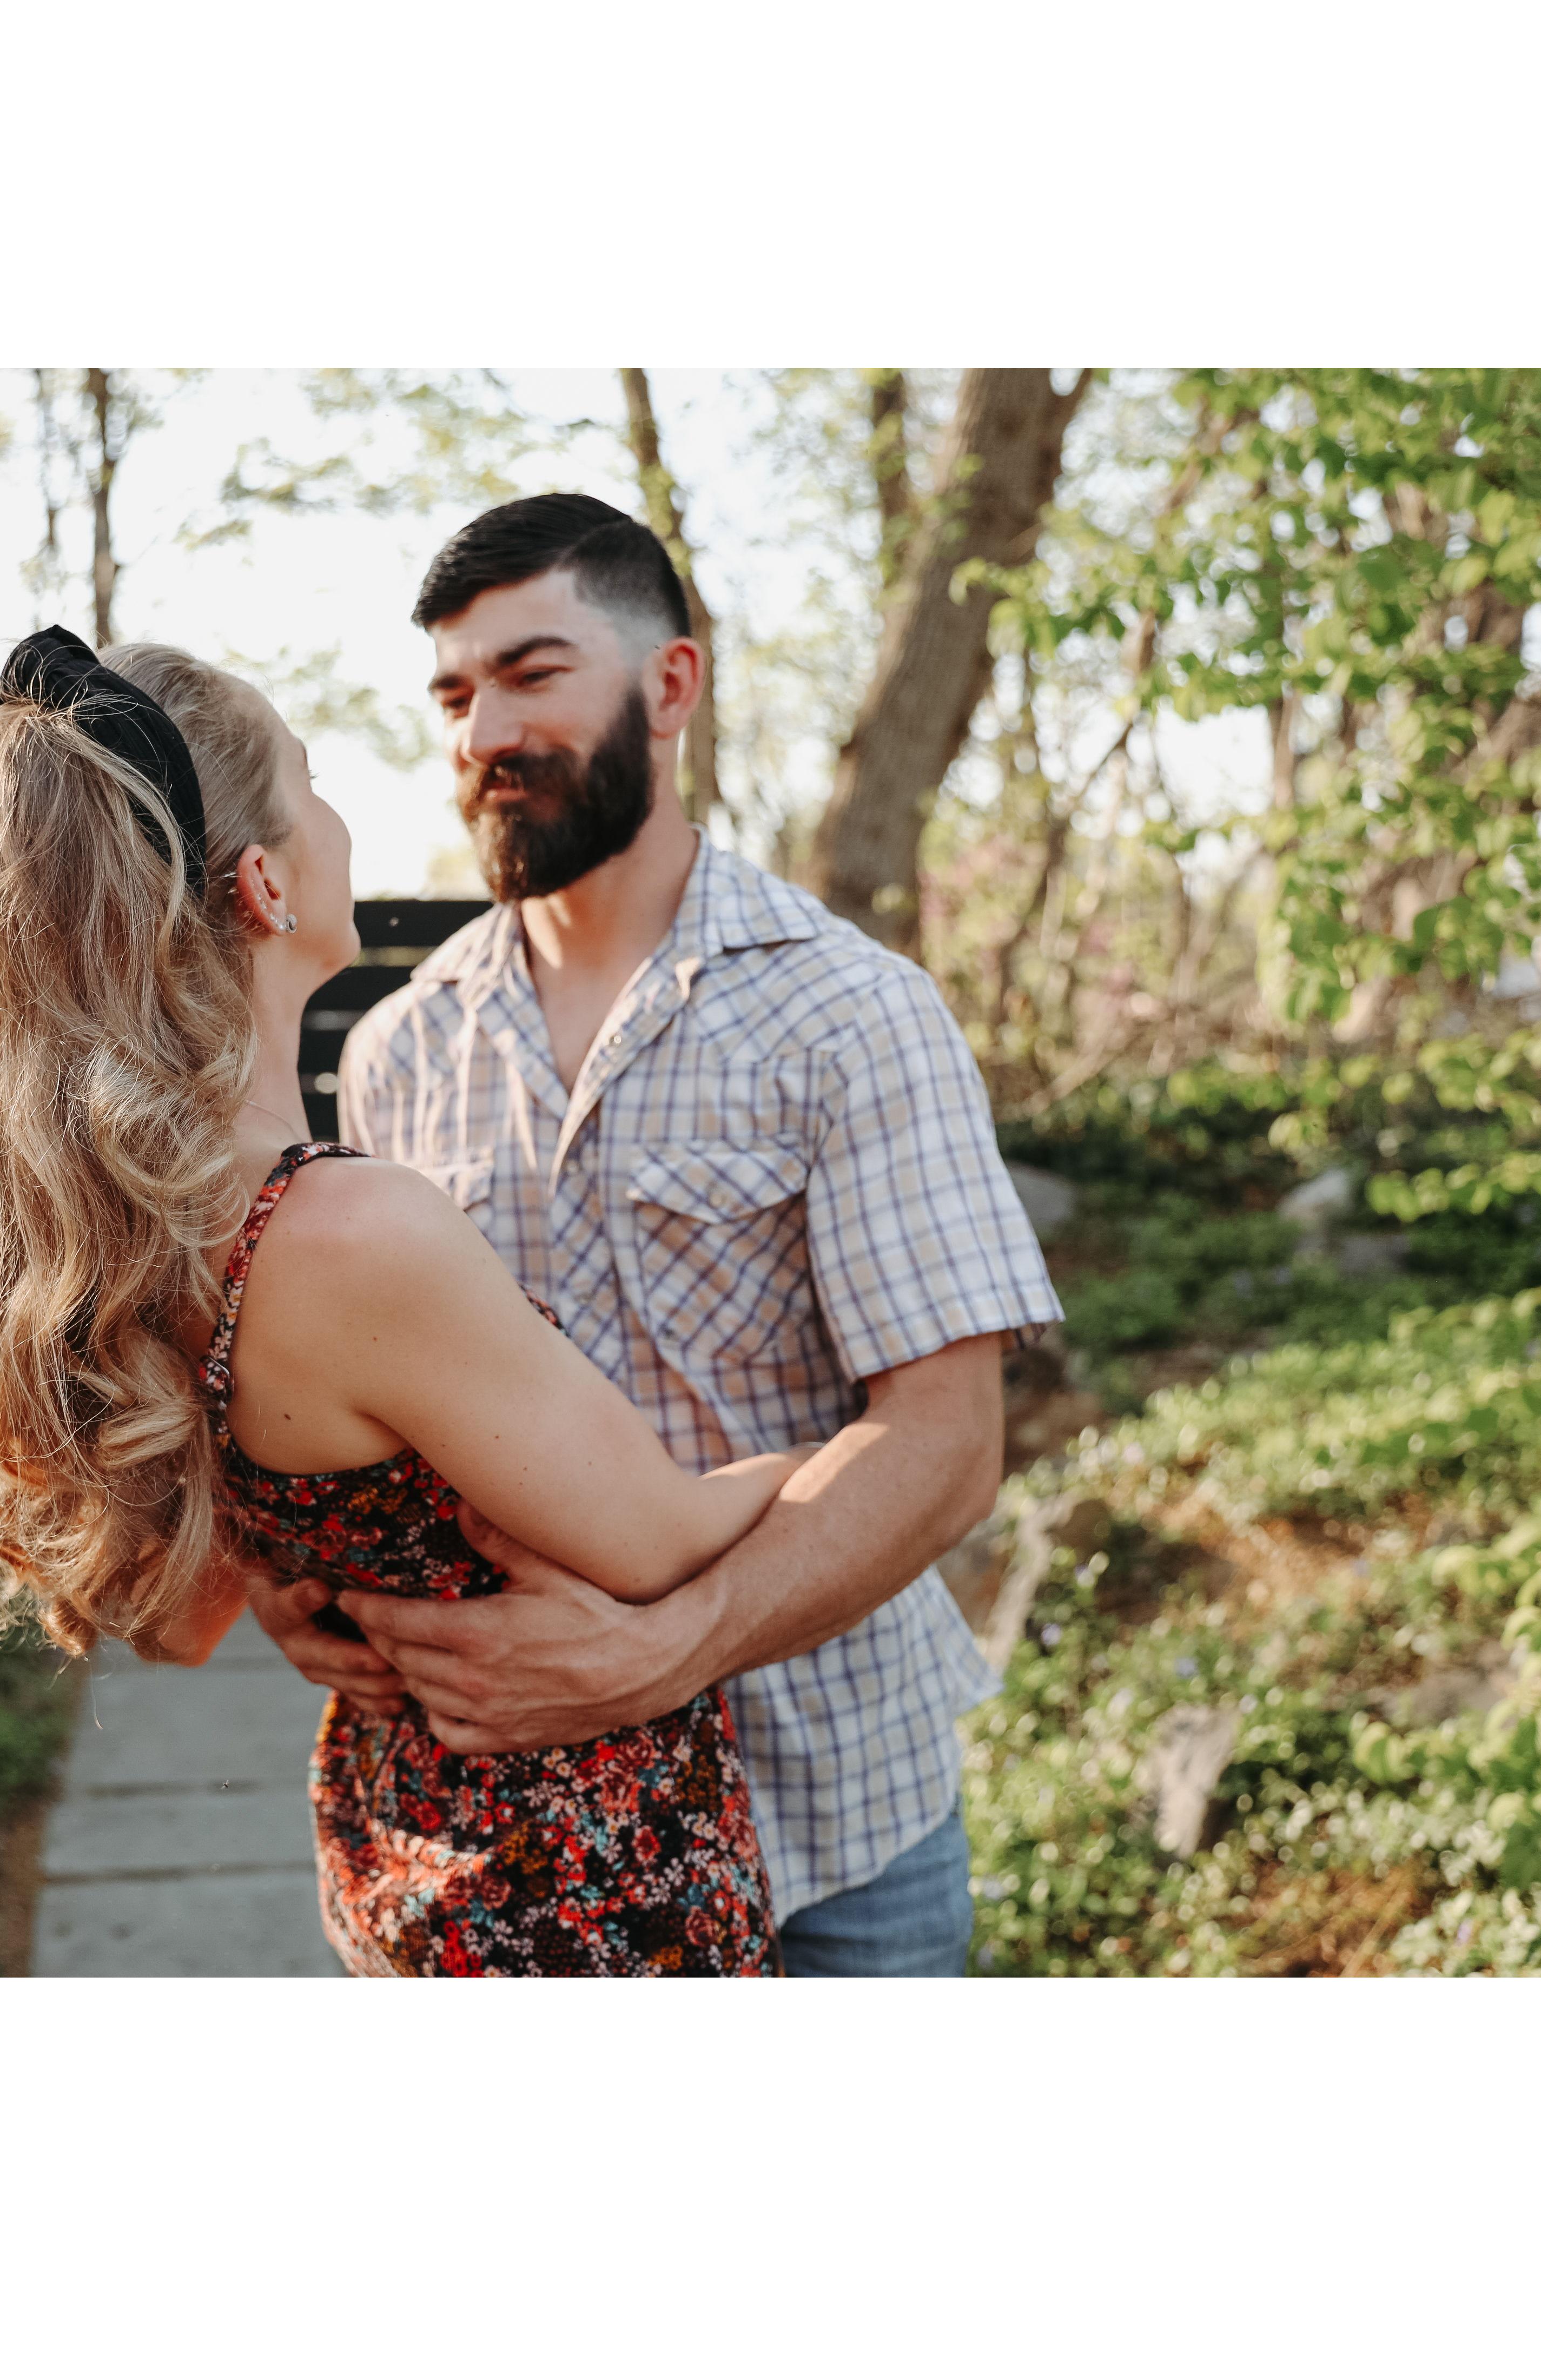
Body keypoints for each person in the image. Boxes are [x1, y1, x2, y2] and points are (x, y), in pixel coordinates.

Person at [0, 625, 817, 1976]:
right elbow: (658, 1547)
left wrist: (311, 1575)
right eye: (311, 782)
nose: (340, 817)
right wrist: (819, 1463)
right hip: (570, 1901)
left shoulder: (129, 1231)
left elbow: (185, 1618)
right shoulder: (349, 1234)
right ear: (263, 882)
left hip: (401, 1861)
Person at [246, 494, 1066, 1978]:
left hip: (831, 1836)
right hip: (519, 1864)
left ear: (671, 685)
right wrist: (297, 1584)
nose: (484, 731)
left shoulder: (852, 1013)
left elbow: (947, 1442)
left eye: (532, 673)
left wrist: (670, 1650)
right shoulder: (399, 1052)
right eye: (454, 694)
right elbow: (353, 1400)